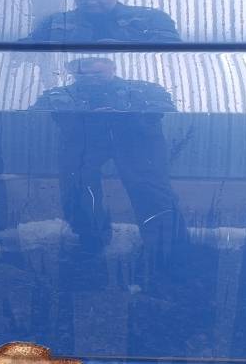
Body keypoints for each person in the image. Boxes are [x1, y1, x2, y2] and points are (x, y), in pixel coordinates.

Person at [31, 58, 184, 289]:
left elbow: (166, 106)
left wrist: (129, 113)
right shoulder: (60, 95)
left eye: (97, 73)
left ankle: (165, 251)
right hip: (86, 141)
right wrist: (82, 116)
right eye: (83, 75)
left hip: (135, 140)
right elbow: (37, 111)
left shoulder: (145, 90)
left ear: (112, 67)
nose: (91, 80)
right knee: (78, 188)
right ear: (73, 73)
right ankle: (90, 242)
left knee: (150, 190)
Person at [24, 0, 181, 43]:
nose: (92, 3)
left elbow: (172, 49)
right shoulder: (55, 21)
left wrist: (123, 48)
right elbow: (28, 46)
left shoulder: (152, 18)